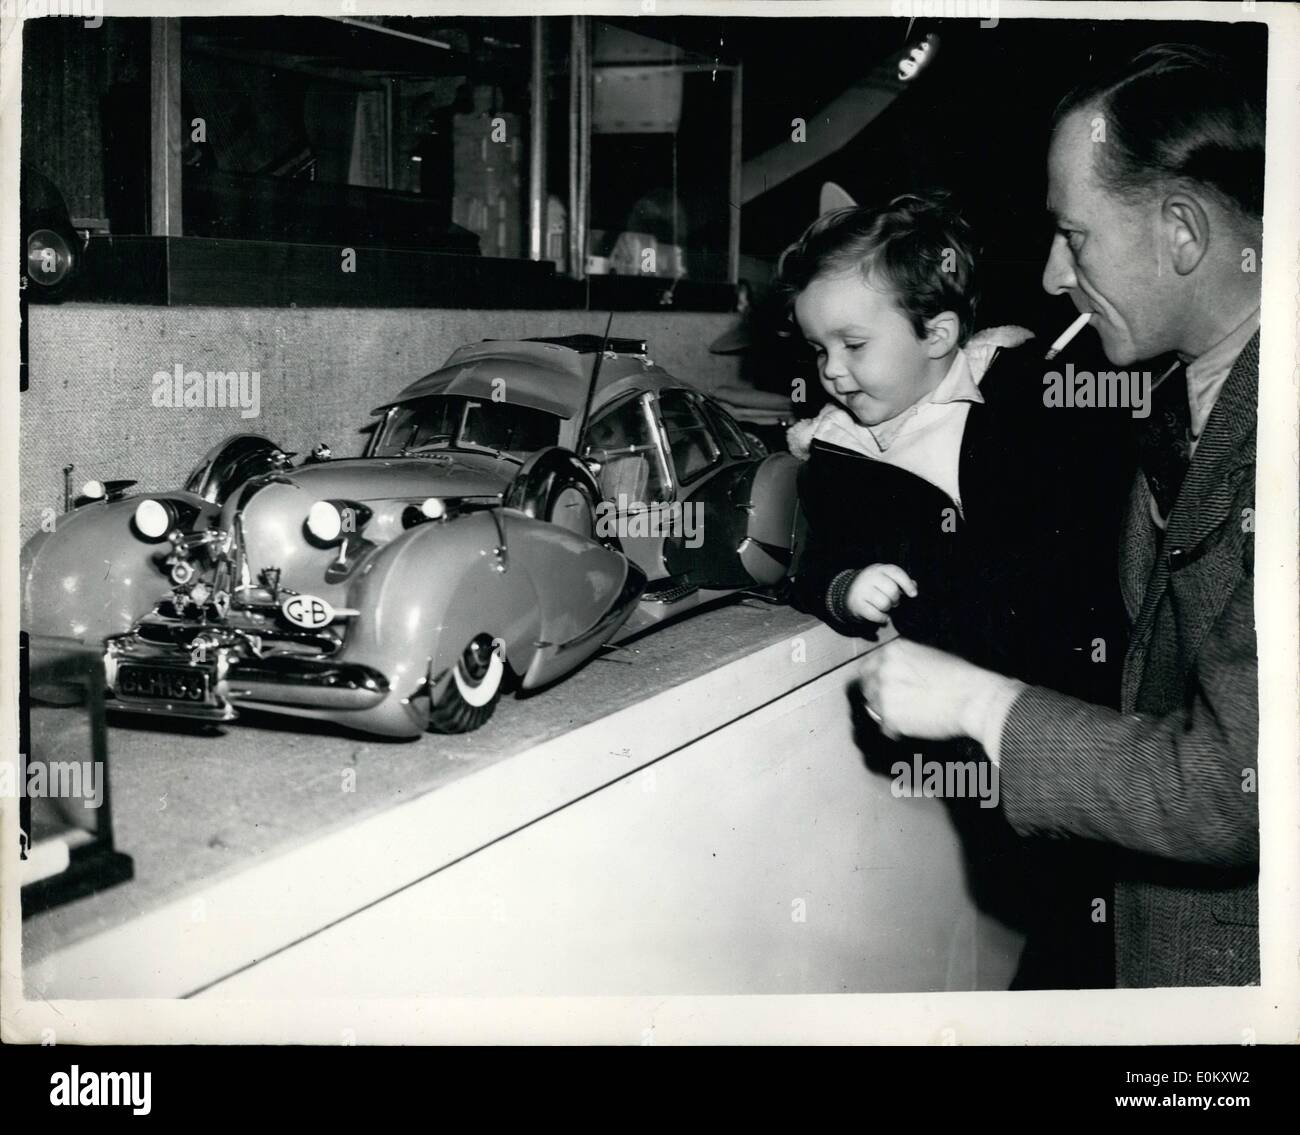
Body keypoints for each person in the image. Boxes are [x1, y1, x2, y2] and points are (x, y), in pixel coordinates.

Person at [858, 44, 1264, 988]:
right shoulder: (1184, 394)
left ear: (1183, 234)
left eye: (1073, 237)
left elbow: (1234, 787)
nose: (1049, 276)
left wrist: (977, 703)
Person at [781, 192, 1134, 988]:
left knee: (1098, 923)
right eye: (817, 349)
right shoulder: (838, 453)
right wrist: (843, 587)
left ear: (939, 335)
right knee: (1049, 925)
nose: (831, 371)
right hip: (974, 738)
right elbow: (808, 567)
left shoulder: (1023, 388)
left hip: (1089, 703)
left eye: (854, 344)